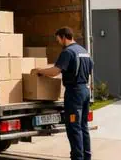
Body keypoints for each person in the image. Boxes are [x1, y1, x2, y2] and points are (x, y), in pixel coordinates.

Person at [30, 27, 93, 160]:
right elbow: (90, 70)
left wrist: (39, 71)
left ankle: (77, 157)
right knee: (83, 126)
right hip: (85, 91)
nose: (58, 42)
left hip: (74, 93)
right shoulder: (84, 51)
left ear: (64, 37)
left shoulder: (68, 52)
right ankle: (86, 157)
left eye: (58, 39)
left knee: (74, 127)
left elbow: (55, 72)